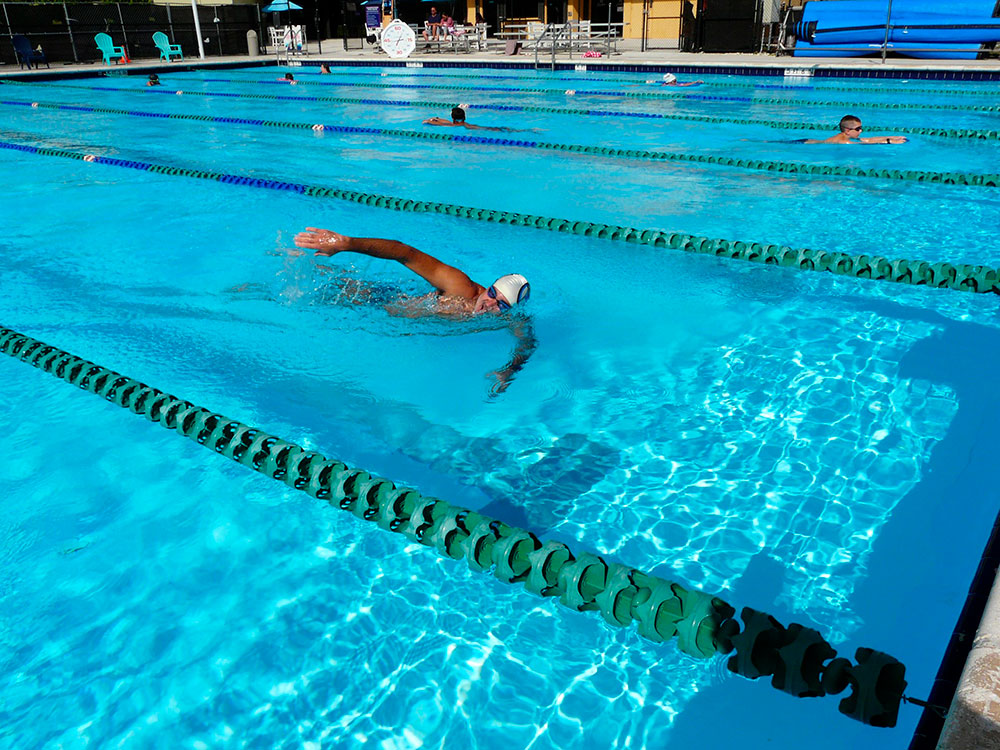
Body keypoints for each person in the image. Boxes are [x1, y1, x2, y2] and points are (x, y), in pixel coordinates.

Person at [293, 227, 535, 394]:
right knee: (325, 290)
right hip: (382, 302)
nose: (490, 303)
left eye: (501, 304)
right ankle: (297, 261)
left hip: (396, 319)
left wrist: (509, 371)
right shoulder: (459, 286)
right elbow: (404, 253)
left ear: (509, 311)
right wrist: (347, 244)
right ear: (489, 286)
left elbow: (527, 344)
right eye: (492, 293)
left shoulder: (510, 320)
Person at [804, 115, 907, 145]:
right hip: (804, 143)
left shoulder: (846, 136)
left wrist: (891, 137)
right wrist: (889, 142)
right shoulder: (844, 141)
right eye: (858, 129)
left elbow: (868, 140)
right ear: (848, 130)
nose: (861, 131)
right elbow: (866, 144)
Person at [423, 106, 530, 132]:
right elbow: (442, 121)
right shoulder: (465, 124)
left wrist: (430, 120)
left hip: (468, 128)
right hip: (475, 127)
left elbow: (439, 123)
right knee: (493, 129)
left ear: (452, 117)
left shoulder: (450, 124)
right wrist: (435, 119)